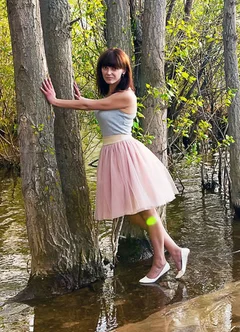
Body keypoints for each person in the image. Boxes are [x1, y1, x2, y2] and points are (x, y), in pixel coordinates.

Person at [40, 48, 189, 284]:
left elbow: (91, 107)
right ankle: (174, 249)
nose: (109, 72)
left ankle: (160, 261)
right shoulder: (109, 96)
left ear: (124, 71)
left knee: (147, 211)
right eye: (105, 67)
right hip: (113, 155)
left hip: (126, 154)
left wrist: (55, 100)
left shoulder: (126, 95)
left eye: (115, 68)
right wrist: (85, 101)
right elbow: (96, 106)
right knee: (135, 215)